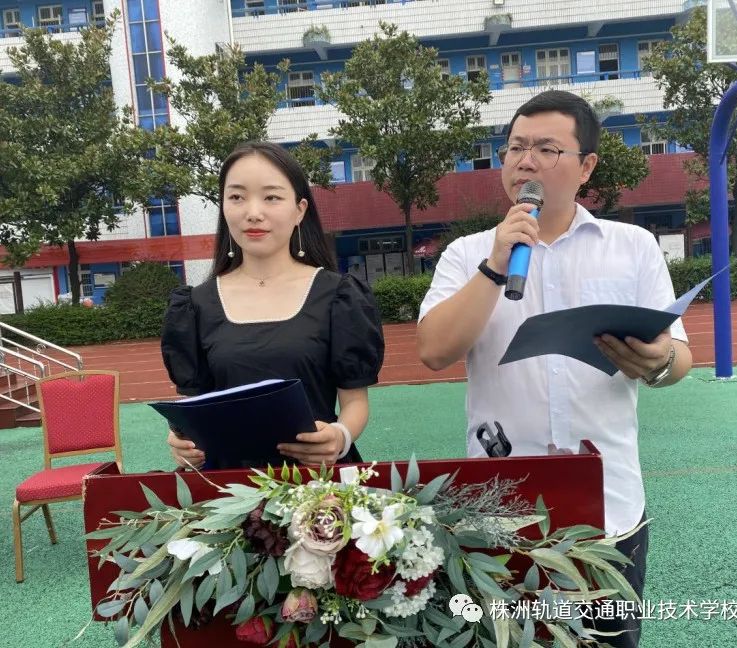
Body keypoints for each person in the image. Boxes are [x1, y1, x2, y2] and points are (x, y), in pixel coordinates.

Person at [417, 90, 692, 648]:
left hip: (609, 505)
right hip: (498, 508)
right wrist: (495, 265)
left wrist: (659, 362)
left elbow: (678, 354)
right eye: (515, 148)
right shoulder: (467, 254)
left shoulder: (632, 246)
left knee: (608, 640)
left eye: (546, 149)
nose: (526, 162)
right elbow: (434, 350)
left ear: (586, 166)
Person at [161, 141, 384, 470]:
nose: (253, 212)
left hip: (316, 483)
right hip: (227, 485)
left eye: (271, 197)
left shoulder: (339, 296)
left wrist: (340, 436)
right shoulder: (195, 305)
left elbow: (355, 403)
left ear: (300, 210)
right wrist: (181, 443)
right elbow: (194, 407)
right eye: (237, 197)